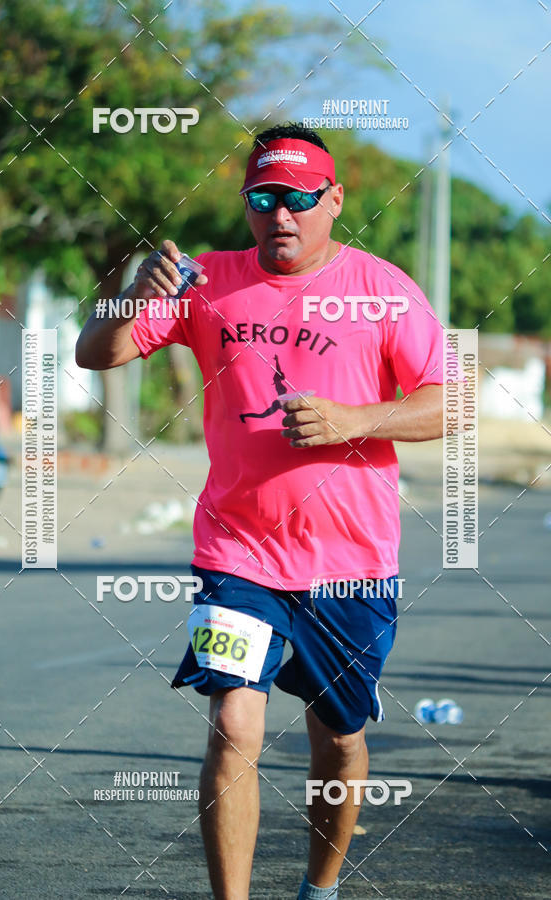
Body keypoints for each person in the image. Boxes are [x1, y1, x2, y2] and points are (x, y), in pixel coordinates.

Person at [76, 122, 444, 899]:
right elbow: (95, 354)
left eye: (301, 198)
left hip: (351, 564)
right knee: (235, 727)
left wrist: (357, 419)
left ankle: (321, 888)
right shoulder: (204, 281)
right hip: (237, 551)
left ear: (334, 200)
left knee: (339, 742)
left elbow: (454, 402)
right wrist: (128, 295)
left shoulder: (384, 289)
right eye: (264, 198)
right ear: (247, 203)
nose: (281, 215)